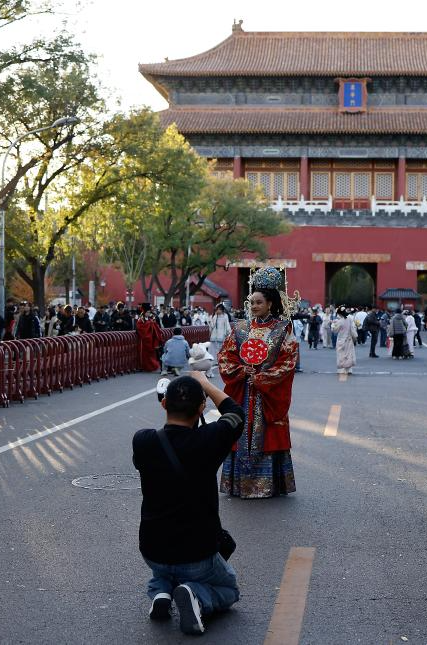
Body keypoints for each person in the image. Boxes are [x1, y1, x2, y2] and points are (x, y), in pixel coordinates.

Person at [133, 372, 244, 635]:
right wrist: (206, 384)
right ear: (201, 407)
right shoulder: (210, 439)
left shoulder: (143, 440)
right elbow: (235, 414)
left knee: (166, 568)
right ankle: (196, 596)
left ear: (164, 404)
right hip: (197, 555)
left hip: (152, 550)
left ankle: (161, 592)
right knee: (229, 590)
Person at [217, 267, 298, 498]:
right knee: (239, 430)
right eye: (251, 302)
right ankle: (239, 484)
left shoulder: (282, 329)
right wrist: (241, 370)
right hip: (243, 390)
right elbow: (225, 356)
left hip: (267, 393)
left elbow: (288, 360)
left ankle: (270, 485)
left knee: (268, 434)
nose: (253, 306)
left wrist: (262, 378)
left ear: (270, 304)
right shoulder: (240, 328)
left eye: (258, 302)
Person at [136, 305, 163, 372]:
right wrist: (150, 324)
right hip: (144, 340)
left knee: (151, 354)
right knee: (144, 354)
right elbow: (140, 329)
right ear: (144, 312)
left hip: (151, 339)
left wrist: (151, 323)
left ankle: (151, 367)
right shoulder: (141, 320)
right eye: (147, 312)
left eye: (149, 312)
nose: (148, 313)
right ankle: (143, 367)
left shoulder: (150, 319)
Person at [332, 307, 357, 375]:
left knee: (341, 355)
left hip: (341, 339)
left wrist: (333, 324)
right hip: (349, 339)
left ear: (340, 314)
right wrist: (355, 336)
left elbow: (335, 330)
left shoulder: (340, 321)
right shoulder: (349, 319)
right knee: (349, 354)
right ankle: (349, 369)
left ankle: (342, 370)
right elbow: (352, 329)